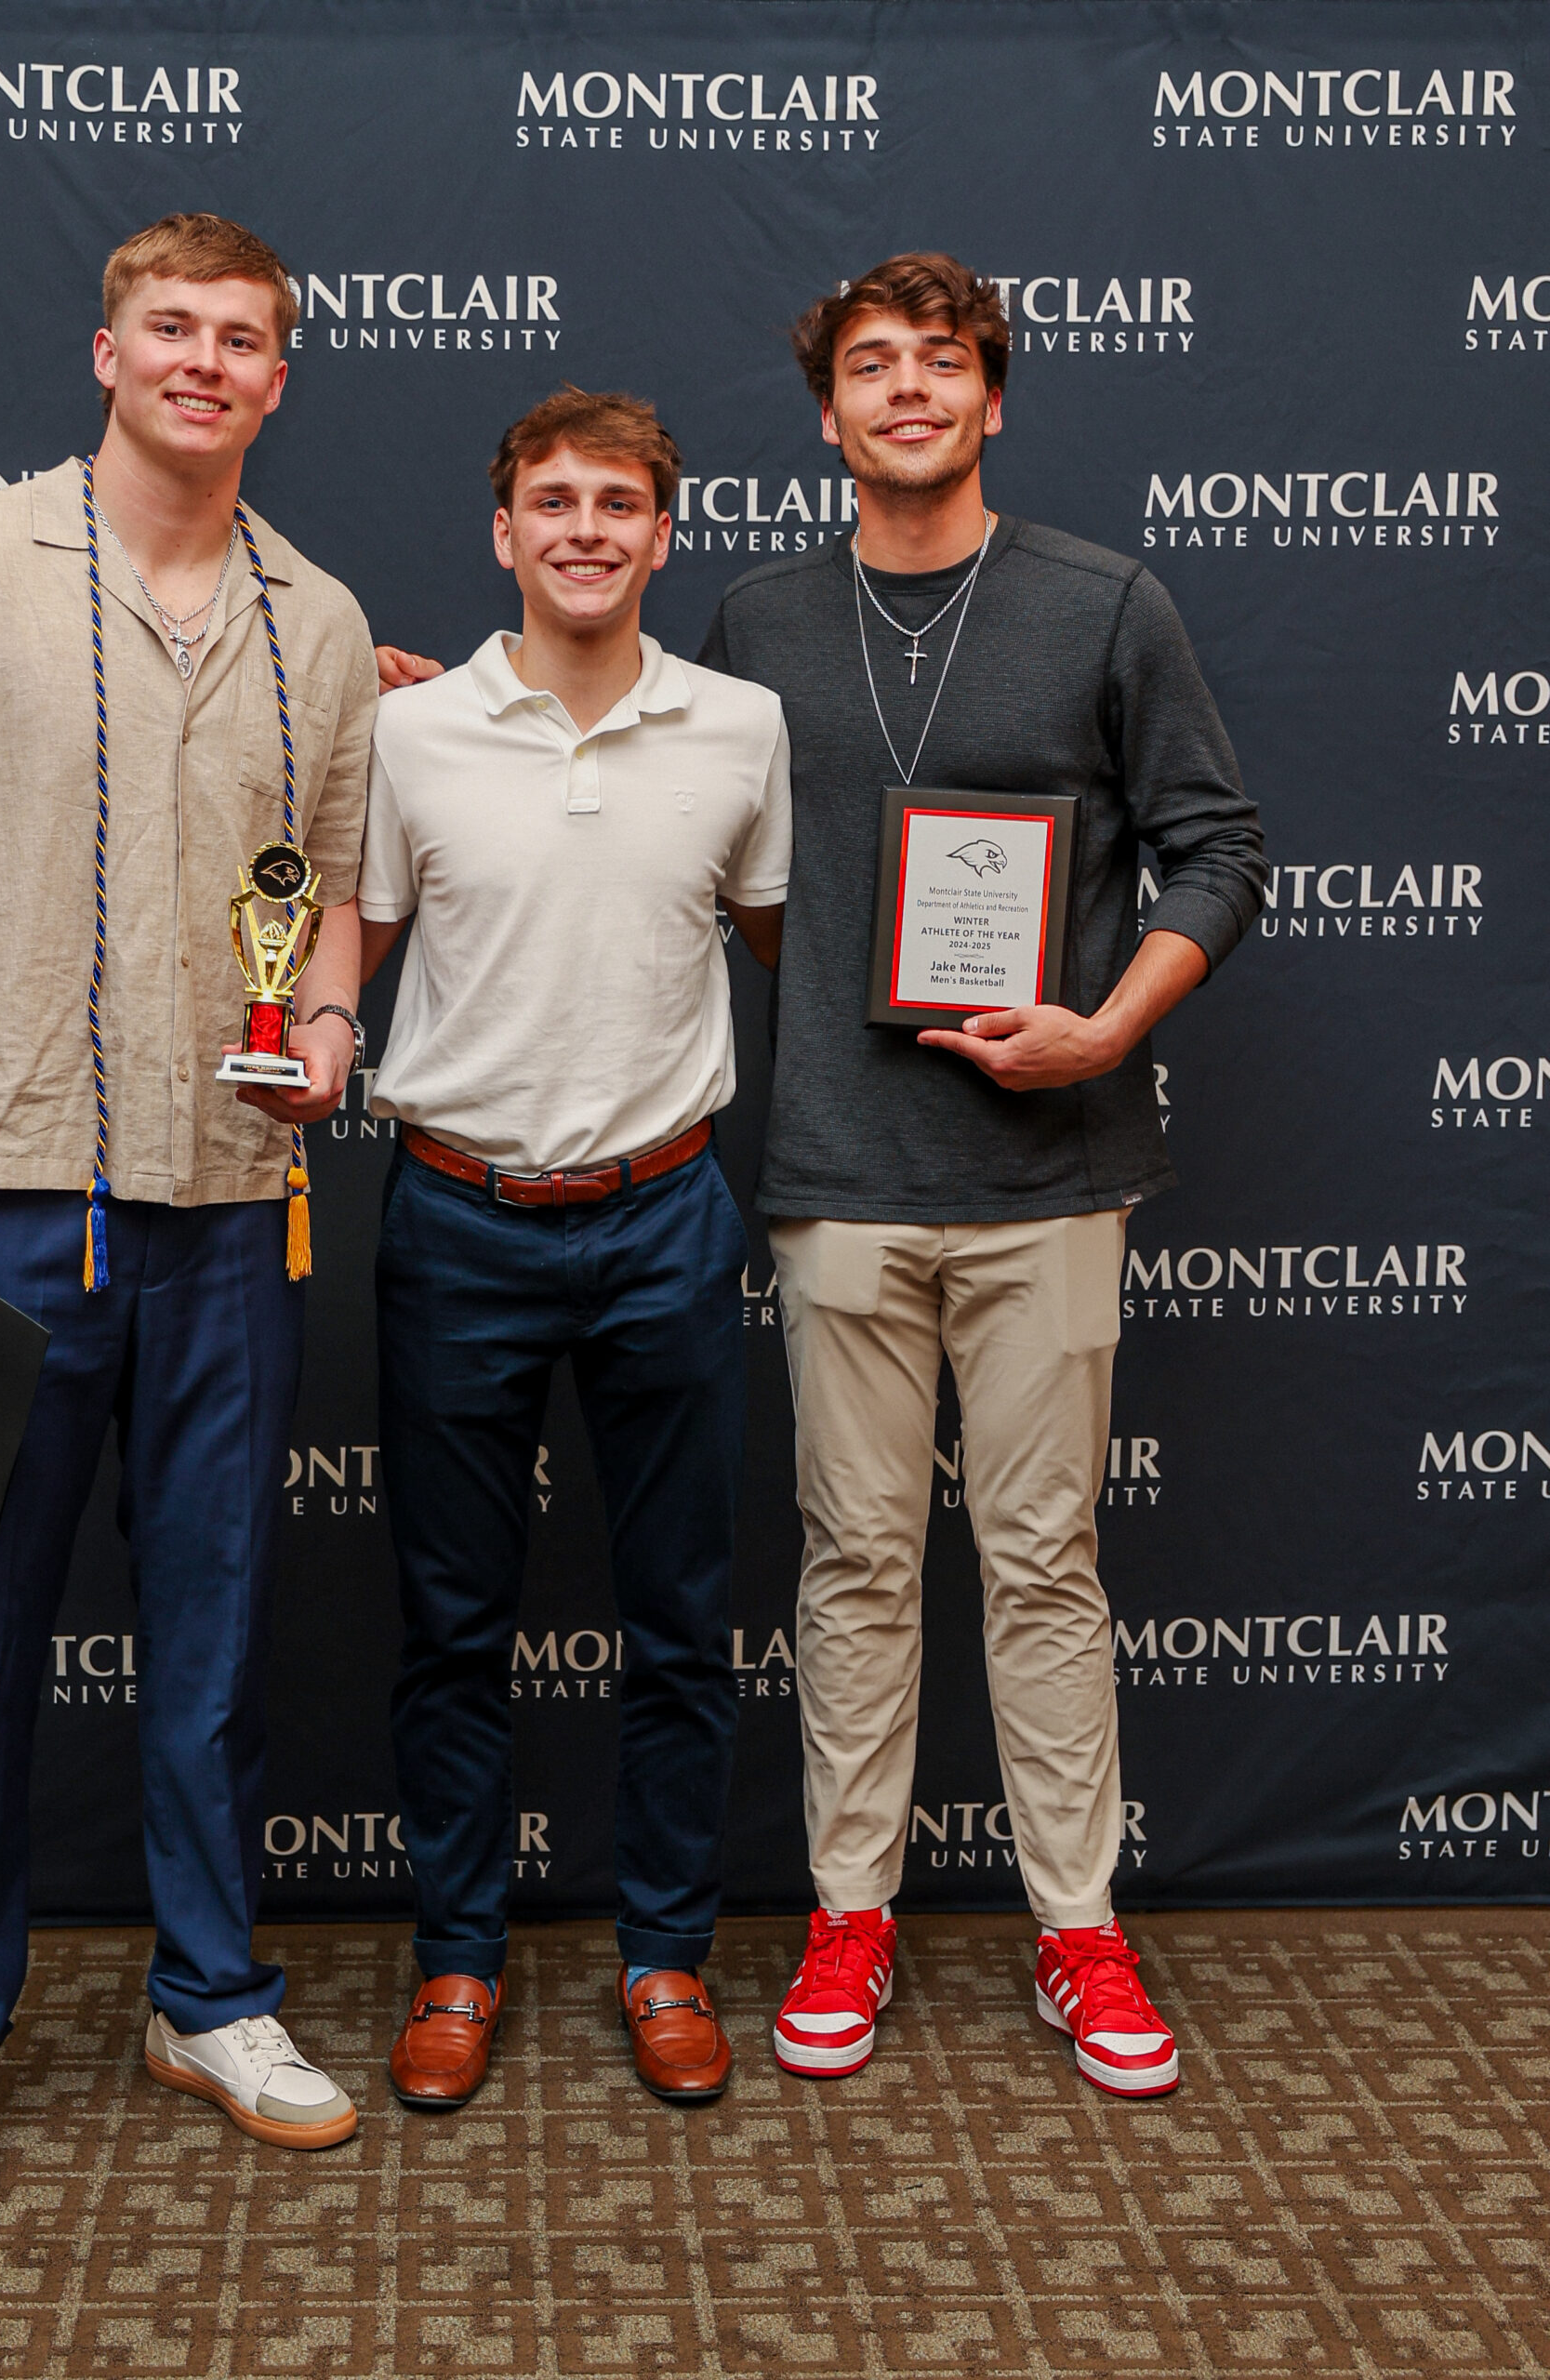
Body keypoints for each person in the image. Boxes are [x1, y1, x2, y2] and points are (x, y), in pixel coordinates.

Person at [0, 213, 378, 2215]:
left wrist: (332, 1026)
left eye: (242, 338)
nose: (205, 361)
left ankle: (209, 1991)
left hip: (230, 1203)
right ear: (105, 353)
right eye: (170, 329)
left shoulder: (318, 615)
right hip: (10, 1202)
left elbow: (335, 897)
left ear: (279, 380)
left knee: (213, 1640)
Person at [696, 253, 1265, 2096]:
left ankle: (1075, 1925)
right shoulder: (758, 617)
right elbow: (656, 810)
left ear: (992, 398)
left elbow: (1216, 850)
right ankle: (848, 1910)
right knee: (855, 1558)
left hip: (1050, 1168)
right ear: (828, 413)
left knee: (1043, 1559)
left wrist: (1106, 1025)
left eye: (943, 363)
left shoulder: (1106, 600)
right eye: (872, 366)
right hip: (836, 1171)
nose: (909, 391)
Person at [358, 387, 791, 2109]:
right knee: (450, 1624)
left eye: (621, 502)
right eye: (554, 499)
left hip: (667, 1216)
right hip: (458, 1217)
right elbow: (340, 951)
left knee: (682, 1618)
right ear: (504, 530)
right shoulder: (408, 734)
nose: (587, 527)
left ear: (663, 535)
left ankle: (666, 1957)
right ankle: (458, 1962)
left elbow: (786, 950)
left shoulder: (742, 727)